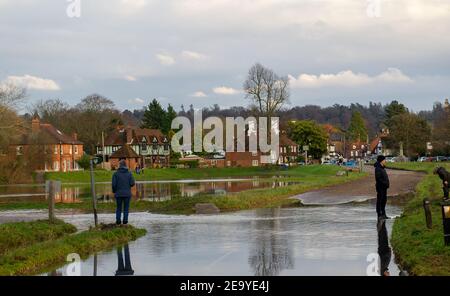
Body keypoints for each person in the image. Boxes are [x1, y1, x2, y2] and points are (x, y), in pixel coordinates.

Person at [112, 159, 135, 225]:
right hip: (127, 194)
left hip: (118, 194)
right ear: (125, 165)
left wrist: (114, 191)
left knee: (118, 208)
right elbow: (132, 183)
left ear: (120, 165)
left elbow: (114, 185)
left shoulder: (115, 174)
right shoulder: (129, 173)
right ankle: (125, 221)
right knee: (126, 208)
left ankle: (118, 221)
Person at [374, 155, 390, 220]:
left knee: (384, 201)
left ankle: (384, 214)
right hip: (380, 187)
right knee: (380, 200)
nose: (385, 161)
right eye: (384, 160)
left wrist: (386, 184)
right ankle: (379, 215)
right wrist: (384, 183)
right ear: (381, 161)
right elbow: (378, 178)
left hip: (384, 187)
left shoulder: (382, 168)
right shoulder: (378, 168)